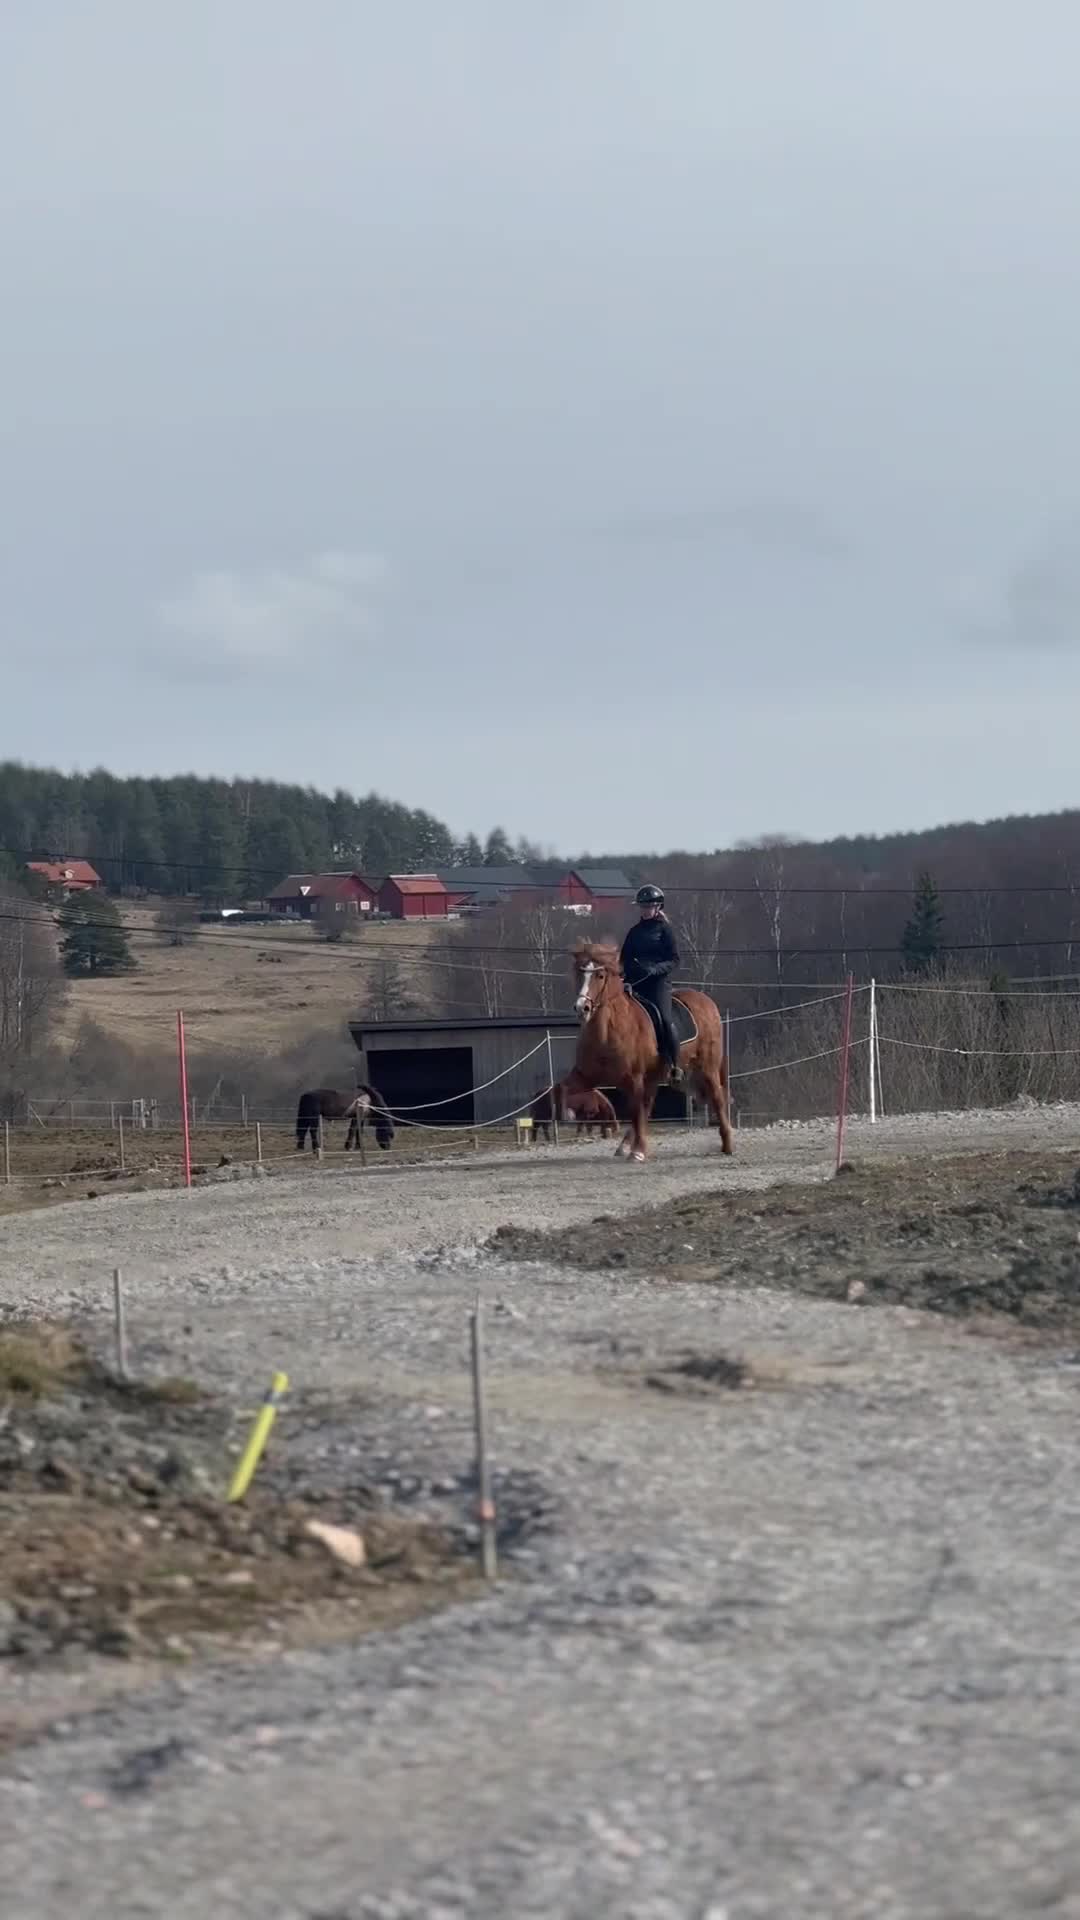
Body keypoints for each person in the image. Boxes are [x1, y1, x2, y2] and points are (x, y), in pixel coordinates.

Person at [619, 884, 683, 1082]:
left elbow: (674, 959)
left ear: (657, 907)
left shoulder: (665, 931)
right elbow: (624, 959)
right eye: (643, 907)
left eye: (649, 907)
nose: (645, 910)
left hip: (657, 984)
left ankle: (674, 1064)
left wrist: (656, 969)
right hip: (636, 983)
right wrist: (624, 978)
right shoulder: (634, 932)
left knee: (665, 1019)